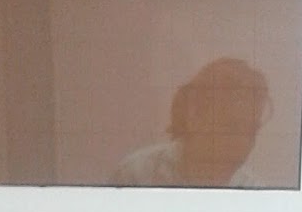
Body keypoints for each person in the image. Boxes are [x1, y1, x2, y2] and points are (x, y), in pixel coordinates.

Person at [112, 56, 272, 187]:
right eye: (231, 128)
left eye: (251, 131)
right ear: (194, 118)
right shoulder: (136, 175)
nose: (243, 145)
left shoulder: (253, 191)